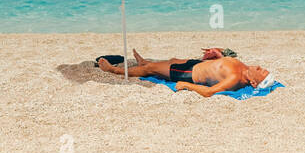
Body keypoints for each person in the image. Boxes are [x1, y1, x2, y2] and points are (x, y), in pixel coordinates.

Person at [97, 48, 271, 97]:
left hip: (189, 73)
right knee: (171, 60)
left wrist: (187, 85)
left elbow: (210, 92)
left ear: (254, 83)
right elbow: (224, 63)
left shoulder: (235, 78)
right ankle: (145, 63)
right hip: (196, 64)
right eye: (263, 69)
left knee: (151, 71)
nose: (261, 68)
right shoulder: (244, 68)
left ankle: (115, 70)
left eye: (261, 72)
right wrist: (219, 55)